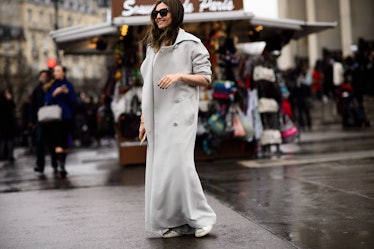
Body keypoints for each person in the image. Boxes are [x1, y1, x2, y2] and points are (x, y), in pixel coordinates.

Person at [138, 0, 216, 238]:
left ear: (175, 13)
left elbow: (206, 77)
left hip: (180, 116)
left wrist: (180, 76)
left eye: (163, 12)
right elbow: (147, 86)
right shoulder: (153, 46)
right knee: (163, 171)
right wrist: (143, 119)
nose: (158, 16)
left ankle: (202, 218)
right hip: (157, 118)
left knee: (181, 168)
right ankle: (176, 223)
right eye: (155, 13)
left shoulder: (191, 43)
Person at [44, 65, 77, 178]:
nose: (56, 73)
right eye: (55, 71)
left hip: (67, 117)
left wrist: (67, 93)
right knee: (57, 141)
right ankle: (60, 164)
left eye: (58, 71)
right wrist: (54, 94)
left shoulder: (69, 85)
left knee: (65, 143)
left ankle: (63, 164)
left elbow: (74, 102)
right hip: (55, 118)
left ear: (63, 73)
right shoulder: (51, 85)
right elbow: (47, 101)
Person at [30, 70, 58, 174]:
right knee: (40, 142)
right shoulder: (36, 90)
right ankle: (40, 165)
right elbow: (32, 106)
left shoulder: (51, 87)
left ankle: (54, 163)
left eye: (45, 76)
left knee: (52, 143)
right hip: (40, 119)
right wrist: (32, 121)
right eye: (42, 76)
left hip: (51, 118)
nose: (43, 78)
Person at [0, 88, 17, 163]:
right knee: (9, 140)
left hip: (4, 124)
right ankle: (9, 155)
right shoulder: (6, 102)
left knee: (4, 140)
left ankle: (3, 155)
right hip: (7, 123)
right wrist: (9, 99)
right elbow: (12, 107)